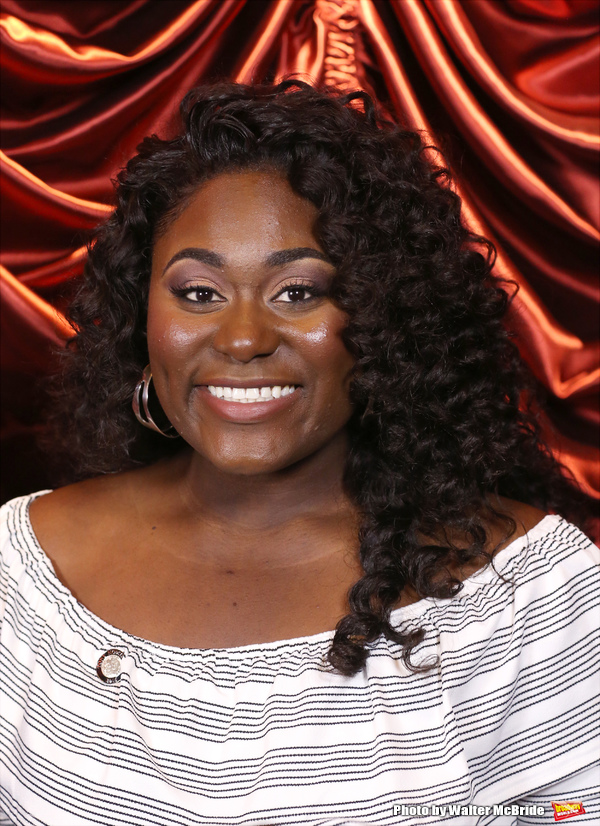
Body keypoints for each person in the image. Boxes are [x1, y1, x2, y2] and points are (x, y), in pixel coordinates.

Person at [0, 81, 597, 825]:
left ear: (382, 316)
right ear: (139, 319)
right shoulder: (22, 568)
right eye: (197, 292)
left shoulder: (527, 597)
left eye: (297, 292)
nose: (243, 338)